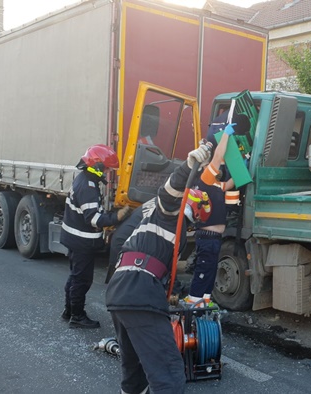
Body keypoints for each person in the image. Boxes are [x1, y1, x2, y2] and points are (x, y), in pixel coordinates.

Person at [105, 143, 212, 394]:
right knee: (169, 374)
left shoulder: (152, 219)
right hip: (139, 291)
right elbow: (169, 193)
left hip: (121, 291)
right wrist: (188, 166)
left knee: (135, 371)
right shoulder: (169, 215)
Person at [60, 144, 131, 328]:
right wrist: (117, 217)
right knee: (82, 279)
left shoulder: (85, 179)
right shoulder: (88, 186)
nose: (107, 172)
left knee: (75, 276)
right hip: (81, 242)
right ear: (97, 166)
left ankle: (69, 311)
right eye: (106, 169)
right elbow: (93, 219)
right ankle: (77, 316)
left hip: (74, 239)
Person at [184, 113, 250, 305]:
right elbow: (218, 156)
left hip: (213, 239)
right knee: (203, 272)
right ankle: (193, 303)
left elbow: (228, 185)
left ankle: (204, 301)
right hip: (206, 238)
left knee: (209, 271)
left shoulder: (214, 185)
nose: (219, 165)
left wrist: (242, 167)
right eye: (215, 165)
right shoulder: (205, 178)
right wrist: (226, 135)